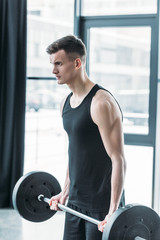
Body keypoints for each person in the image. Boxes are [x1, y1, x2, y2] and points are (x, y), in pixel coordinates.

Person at [46, 35, 126, 240]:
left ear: (77, 63)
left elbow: (118, 160)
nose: (53, 70)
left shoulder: (101, 103)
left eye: (58, 64)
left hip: (101, 208)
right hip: (75, 203)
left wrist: (113, 211)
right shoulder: (65, 103)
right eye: (52, 64)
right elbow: (76, 151)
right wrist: (65, 191)